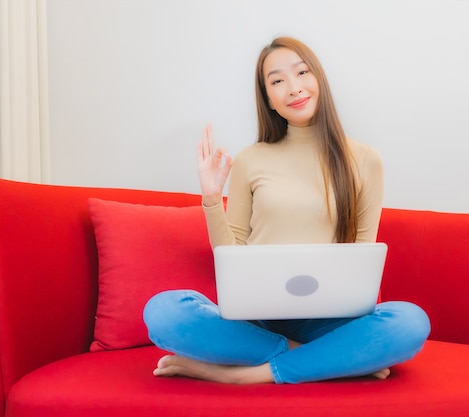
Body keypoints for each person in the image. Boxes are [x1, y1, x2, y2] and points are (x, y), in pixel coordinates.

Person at [143, 36, 430, 384]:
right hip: (255, 321)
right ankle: (326, 360)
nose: (293, 88)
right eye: (277, 81)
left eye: (301, 72)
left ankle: (242, 375)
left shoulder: (366, 160)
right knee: (162, 312)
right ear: (269, 100)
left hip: (329, 322)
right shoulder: (251, 159)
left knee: (411, 322)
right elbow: (231, 254)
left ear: (318, 79)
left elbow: (362, 255)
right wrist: (211, 198)